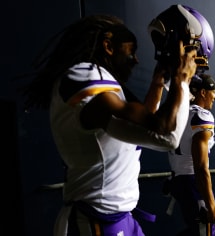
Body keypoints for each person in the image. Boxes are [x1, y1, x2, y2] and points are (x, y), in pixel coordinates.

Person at [22, 12, 203, 235]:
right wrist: (181, 80)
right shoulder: (84, 74)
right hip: (96, 219)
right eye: (131, 52)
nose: (136, 60)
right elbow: (166, 133)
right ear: (108, 46)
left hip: (118, 217)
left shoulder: (100, 86)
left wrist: (158, 84)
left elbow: (149, 130)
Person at [166, 74, 215, 236]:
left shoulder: (178, 113)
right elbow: (200, 166)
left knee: (195, 229)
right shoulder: (201, 116)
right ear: (203, 93)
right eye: (213, 91)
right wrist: (211, 205)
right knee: (205, 232)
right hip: (192, 182)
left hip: (178, 180)